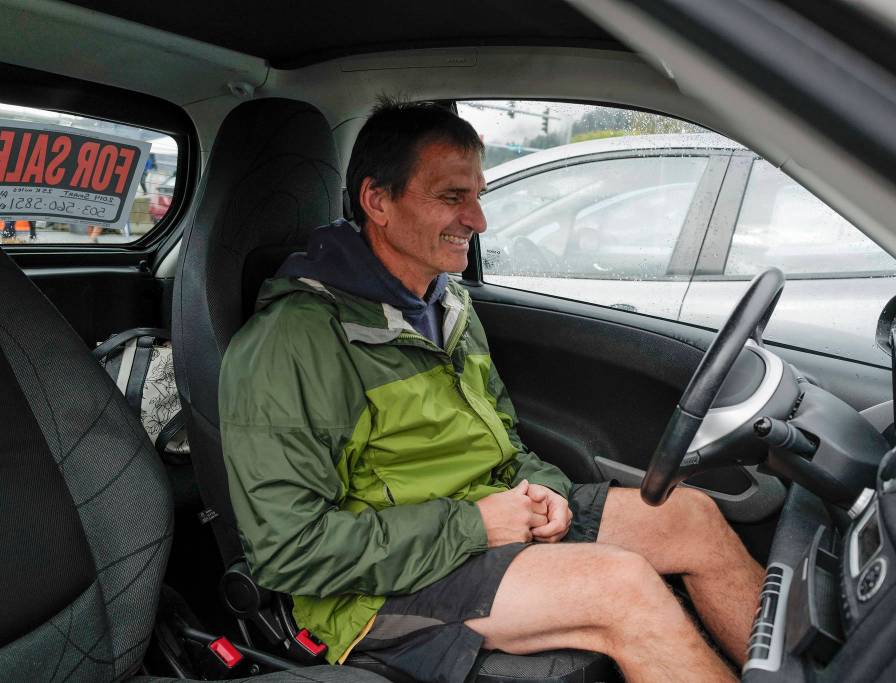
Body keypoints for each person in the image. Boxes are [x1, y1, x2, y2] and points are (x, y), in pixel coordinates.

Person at [219, 99, 763, 683]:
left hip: (488, 519)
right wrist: (474, 526)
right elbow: (290, 549)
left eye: (477, 195)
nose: (478, 220)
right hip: (374, 592)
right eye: (452, 197)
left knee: (690, 516)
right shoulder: (291, 342)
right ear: (377, 200)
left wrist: (547, 490)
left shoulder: (446, 302)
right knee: (621, 587)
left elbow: (502, 439)